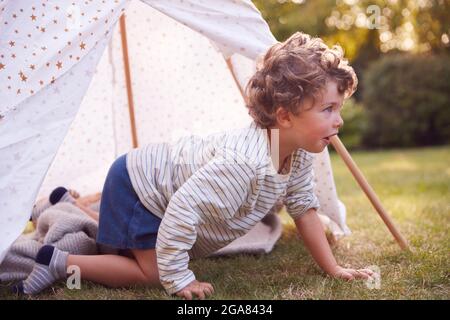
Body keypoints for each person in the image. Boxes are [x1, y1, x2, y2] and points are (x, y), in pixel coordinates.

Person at [14, 32, 374, 299]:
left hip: (150, 183)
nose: (339, 120)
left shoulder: (293, 154)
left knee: (120, 247)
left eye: (338, 108)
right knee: (149, 272)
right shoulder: (243, 166)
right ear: (284, 116)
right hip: (138, 189)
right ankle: (57, 261)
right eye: (328, 109)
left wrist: (334, 269)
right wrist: (179, 278)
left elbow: (305, 210)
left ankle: (70, 205)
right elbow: (181, 215)